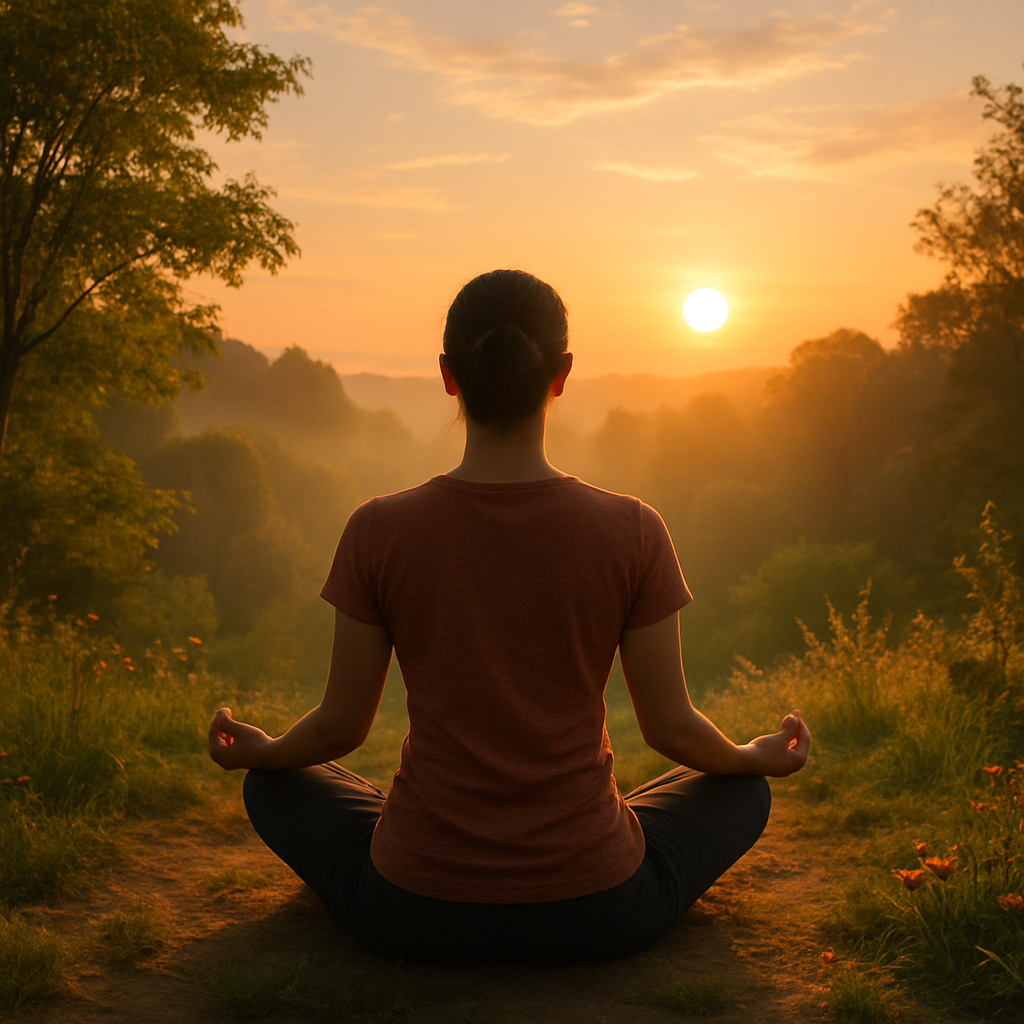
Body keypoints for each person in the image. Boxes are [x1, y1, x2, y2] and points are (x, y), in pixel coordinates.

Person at [208, 269, 810, 966]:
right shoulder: (634, 531)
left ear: (446, 376)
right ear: (561, 376)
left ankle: (411, 856)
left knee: (276, 786)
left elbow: (341, 726)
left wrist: (266, 752)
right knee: (741, 797)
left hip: (410, 911)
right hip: (597, 911)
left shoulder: (378, 530)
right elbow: (672, 729)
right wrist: (748, 758)